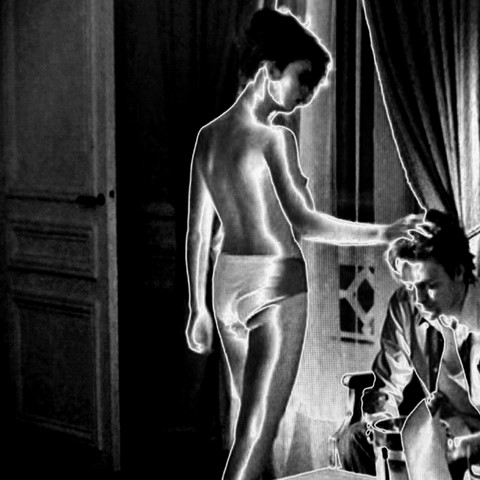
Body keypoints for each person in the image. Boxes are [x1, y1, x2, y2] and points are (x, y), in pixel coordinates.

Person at [185, 8, 420, 480]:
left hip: (225, 286)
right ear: (269, 67)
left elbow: (198, 232)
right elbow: (305, 224)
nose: (307, 95)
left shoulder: (208, 138)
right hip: (274, 284)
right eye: (303, 78)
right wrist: (383, 232)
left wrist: (198, 308)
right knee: (256, 434)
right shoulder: (276, 139)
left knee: (250, 429)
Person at [337, 209, 480, 479]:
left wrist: (467, 446)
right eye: (410, 285)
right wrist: (383, 428)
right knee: (355, 441)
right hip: (439, 436)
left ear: (459, 272)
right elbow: (385, 386)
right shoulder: (405, 305)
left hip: (474, 444)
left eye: (429, 285)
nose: (418, 299)